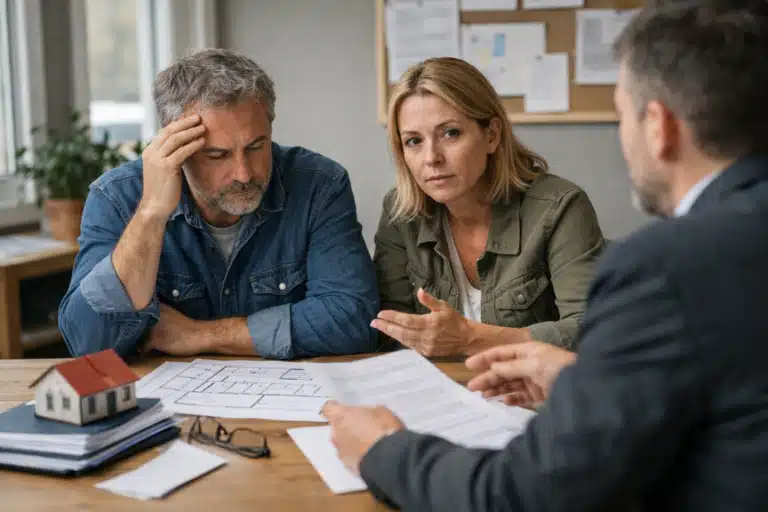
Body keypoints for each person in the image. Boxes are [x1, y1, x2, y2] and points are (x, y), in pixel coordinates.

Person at [323, 1, 768, 510]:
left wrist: (383, 451)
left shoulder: (659, 265)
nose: (431, 158)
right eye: (412, 142)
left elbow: (524, 494)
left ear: (657, 126)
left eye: (620, 115)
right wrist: (583, 381)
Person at [58, 49, 379, 360]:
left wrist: (200, 335)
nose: (244, 173)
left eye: (256, 147)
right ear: (176, 147)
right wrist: (151, 213)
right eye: (217, 155)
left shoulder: (319, 185)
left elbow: (353, 319)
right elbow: (88, 342)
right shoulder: (116, 197)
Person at [371, 57, 604, 357]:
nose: (431, 158)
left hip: (532, 384)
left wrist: (471, 339)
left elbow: (592, 330)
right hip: (440, 383)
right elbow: (389, 329)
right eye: (414, 141)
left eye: (450, 133)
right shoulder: (401, 212)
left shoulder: (559, 207)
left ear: (492, 135)